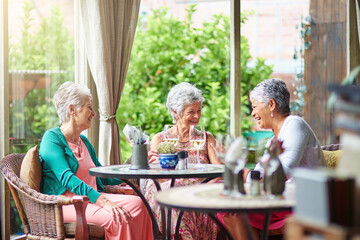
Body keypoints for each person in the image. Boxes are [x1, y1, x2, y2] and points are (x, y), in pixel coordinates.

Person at [39, 81, 153, 240]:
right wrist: (102, 200)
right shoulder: (51, 139)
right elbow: (66, 178)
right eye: (89, 107)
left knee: (140, 205)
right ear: (72, 109)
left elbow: (102, 174)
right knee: (117, 218)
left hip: (91, 199)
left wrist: (135, 166)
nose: (94, 113)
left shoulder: (84, 142)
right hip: (66, 204)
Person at [223, 78, 326, 240]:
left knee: (236, 212)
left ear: (271, 104)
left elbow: (282, 171)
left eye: (254, 106)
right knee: (229, 210)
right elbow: (258, 173)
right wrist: (245, 174)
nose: (253, 113)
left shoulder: (295, 124)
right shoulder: (274, 139)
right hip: (282, 199)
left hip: (302, 201)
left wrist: (244, 173)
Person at [142, 82, 221, 240]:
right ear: (176, 113)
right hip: (169, 195)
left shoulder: (206, 138)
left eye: (199, 111)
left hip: (199, 196)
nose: (197, 117)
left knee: (178, 204)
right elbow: (158, 176)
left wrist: (198, 188)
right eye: (191, 112)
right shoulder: (160, 139)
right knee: (170, 199)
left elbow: (221, 172)